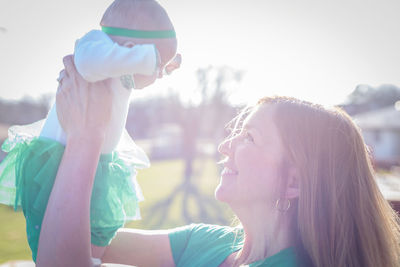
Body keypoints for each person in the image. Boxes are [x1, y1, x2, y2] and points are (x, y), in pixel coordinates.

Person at [37, 58, 400, 267]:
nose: (225, 146)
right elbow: (78, 242)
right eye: (235, 132)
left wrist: (87, 139)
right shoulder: (208, 244)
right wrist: (118, 86)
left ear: (293, 183)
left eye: (249, 138)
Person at [0, 0, 181, 262]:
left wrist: (162, 63)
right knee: (50, 226)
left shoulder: (118, 62)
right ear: (131, 50)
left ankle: (89, 258)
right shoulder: (93, 44)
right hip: (58, 158)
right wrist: (146, 58)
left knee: (95, 226)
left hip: (98, 160)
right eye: (156, 66)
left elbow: (134, 70)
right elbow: (86, 63)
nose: (156, 76)